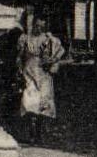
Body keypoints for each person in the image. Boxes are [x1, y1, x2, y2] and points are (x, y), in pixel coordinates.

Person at [17, 14, 65, 145]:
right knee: (29, 102)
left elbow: (60, 52)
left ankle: (39, 135)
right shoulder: (25, 39)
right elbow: (20, 57)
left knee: (43, 104)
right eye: (36, 25)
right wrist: (20, 70)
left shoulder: (49, 40)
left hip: (43, 74)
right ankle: (32, 134)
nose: (38, 28)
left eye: (41, 26)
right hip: (29, 73)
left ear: (44, 27)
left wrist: (51, 60)